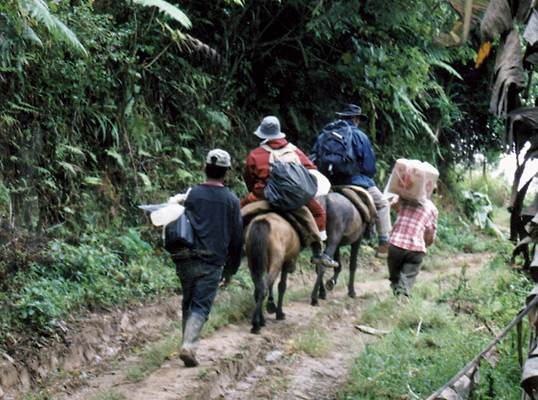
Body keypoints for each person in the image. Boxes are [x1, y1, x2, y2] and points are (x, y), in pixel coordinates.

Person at [174, 149, 243, 367]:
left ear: (205, 168)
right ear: (227, 174)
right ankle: (188, 345)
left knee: (189, 301)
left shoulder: (192, 194)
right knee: (201, 304)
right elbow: (237, 239)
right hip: (211, 262)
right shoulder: (232, 201)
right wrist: (231, 269)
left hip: (186, 259)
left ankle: (187, 345)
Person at [240, 115, 338, 268]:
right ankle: (318, 252)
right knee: (319, 212)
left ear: (263, 134)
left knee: (238, 211)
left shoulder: (255, 154)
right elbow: (311, 169)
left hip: (262, 194)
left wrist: (255, 193)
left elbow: (249, 178)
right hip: (294, 197)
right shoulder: (294, 150)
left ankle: (234, 249)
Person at [311, 104, 392, 258]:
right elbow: (370, 168)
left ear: (342, 117)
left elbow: (313, 157)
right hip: (356, 182)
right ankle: (383, 242)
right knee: (382, 204)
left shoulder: (324, 135)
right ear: (356, 119)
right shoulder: (360, 137)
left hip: (328, 183)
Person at [387, 196, 438, 297]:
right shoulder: (432, 208)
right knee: (406, 281)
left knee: (395, 278)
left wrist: (402, 198)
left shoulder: (404, 198)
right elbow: (430, 234)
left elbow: (392, 205)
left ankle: (398, 300)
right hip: (416, 249)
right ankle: (402, 301)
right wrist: (427, 243)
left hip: (395, 245)